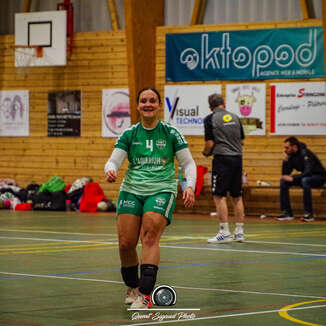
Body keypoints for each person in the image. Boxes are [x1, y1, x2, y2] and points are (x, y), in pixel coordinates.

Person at [104, 87, 196, 309]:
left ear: (158, 105)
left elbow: (188, 163)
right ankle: (133, 286)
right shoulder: (129, 134)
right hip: (131, 188)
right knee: (126, 243)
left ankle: (145, 294)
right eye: (143, 100)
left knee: (149, 237)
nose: (147, 104)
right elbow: (113, 160)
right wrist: (110, 170)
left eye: (152, 100)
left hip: (161, 189)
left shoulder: (171, 133)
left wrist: (189, 186)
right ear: (137, 106)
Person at [202, 93, 245, 244]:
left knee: (219, 195)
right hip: (237, 159)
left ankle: (224, 232)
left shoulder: (210, 119)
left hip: (222, 159)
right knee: (237, 196)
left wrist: (206, 153)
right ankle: (239, 232)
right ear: (224, 104)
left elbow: (210, 144)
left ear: (210, 106)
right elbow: (241, 140)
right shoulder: (235, 117)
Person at [277, 136, 326, 222]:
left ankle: (309, 214)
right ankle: (287, 213)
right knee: (283, 181)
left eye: (287, 147)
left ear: (294, 147)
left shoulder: (305, 153)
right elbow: (285, 174)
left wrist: (293, 178)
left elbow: (308, 171)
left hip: (319, 177)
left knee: (305, 180)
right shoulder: (291, 155)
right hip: (306, 177)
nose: (285, 150)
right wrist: (285, 160)